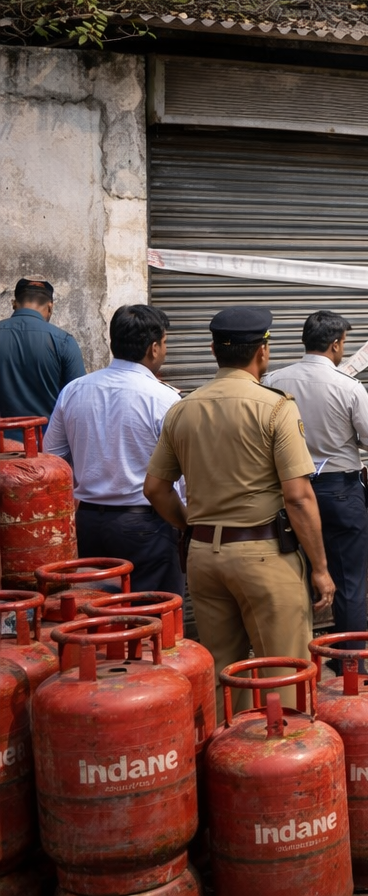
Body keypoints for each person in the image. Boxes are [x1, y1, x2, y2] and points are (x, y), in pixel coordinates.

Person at [142, 307, 335, 716]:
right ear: (262, 352)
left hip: (204, 559)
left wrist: (190, 526)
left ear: (213, 350)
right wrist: (319, 567)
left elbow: (155, 488)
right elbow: (298, 496)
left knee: (221, 672)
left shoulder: (182, 408)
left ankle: (227, 758)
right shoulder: (276, 408)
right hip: (263, 555)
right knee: (283, 670)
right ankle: (281, 764)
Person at [264, 310, 368, 657]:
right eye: (344, 343)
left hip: (289, 491)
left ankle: (297, 660)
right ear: (335, 344)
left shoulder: (273, 381)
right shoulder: (348, 386)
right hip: (340, 492)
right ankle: (350, 666)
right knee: (349, 582)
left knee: (293, 579)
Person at [43, 305, 184, 594]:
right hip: (146, 525)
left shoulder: (74, 390)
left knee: (96, 613)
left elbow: (52, 459)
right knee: (154, 616)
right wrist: (185, 522)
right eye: (165, 343)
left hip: (88, 523)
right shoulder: (164, 398)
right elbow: (183, 474)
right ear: (154, 348)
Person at [0, 278, 85, 434]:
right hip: (45, 446)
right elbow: (78, 401)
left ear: (14, 303)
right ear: (50, 307)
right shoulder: (63, 342)